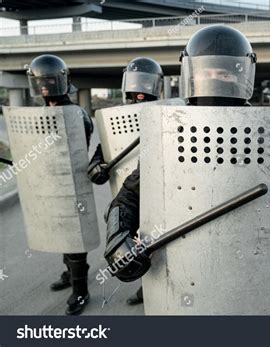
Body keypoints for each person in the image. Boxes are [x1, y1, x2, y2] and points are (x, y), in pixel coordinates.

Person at [102, 24, 256, 291]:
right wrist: (118, 237)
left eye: (223, 73)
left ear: (240, 75)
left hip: (246, 263)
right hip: (182, 261)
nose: (214, 79)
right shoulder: (169, 131)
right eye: (206, 72)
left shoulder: (263, 132)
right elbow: (129, 194)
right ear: (192, 74)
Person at [87, 57, 163, 306]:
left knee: (159, 246)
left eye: (145, 82)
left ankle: (149, 291)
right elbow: (101, 154)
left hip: (162, 193)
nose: (140, 89)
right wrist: (96, 167)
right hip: (130, 193)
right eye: (135, 82)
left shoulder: (171, 114)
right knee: (132, 244)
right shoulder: (115, 119)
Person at [27, 54, 94, 315]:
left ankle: (81, 291)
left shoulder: (76, 113)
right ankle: (69, 273)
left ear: (60, 82)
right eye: (41, 82)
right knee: (59, 233)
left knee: (74, 237)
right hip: (50, 183)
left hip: (73, 182)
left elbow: (78, 148)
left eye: (49, 81)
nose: (45, 87)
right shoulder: (43, 113)